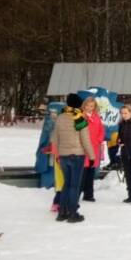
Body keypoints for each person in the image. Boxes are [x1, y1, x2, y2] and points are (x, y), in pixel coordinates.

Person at [52, 93, 96, 222]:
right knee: (74, 186)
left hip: (64, 156)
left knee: (66, 184)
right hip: (77, 155)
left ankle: (62, 213)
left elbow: (55, 139)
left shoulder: (60, 118)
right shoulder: (79, 118)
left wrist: (57, 154)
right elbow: (85, 140)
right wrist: (92, 156)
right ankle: (72, 213)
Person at [35, 102, 64, 190]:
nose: (53, 117)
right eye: (51, 114)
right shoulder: (48, 126)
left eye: (55, 114)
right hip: (48, 160)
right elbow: (44, 141)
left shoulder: (62, 125)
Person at [81, 96, 105, 202]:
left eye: (92, 106)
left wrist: (99, 140)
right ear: (84, 105)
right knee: (82, 172)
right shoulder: (80, 116)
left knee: (91, 172)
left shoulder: (96, 117)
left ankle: (89, 194)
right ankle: (77, 193)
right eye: (87, 105)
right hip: (83, 148)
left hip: (94, 148)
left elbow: (101, 130)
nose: (89, 108)